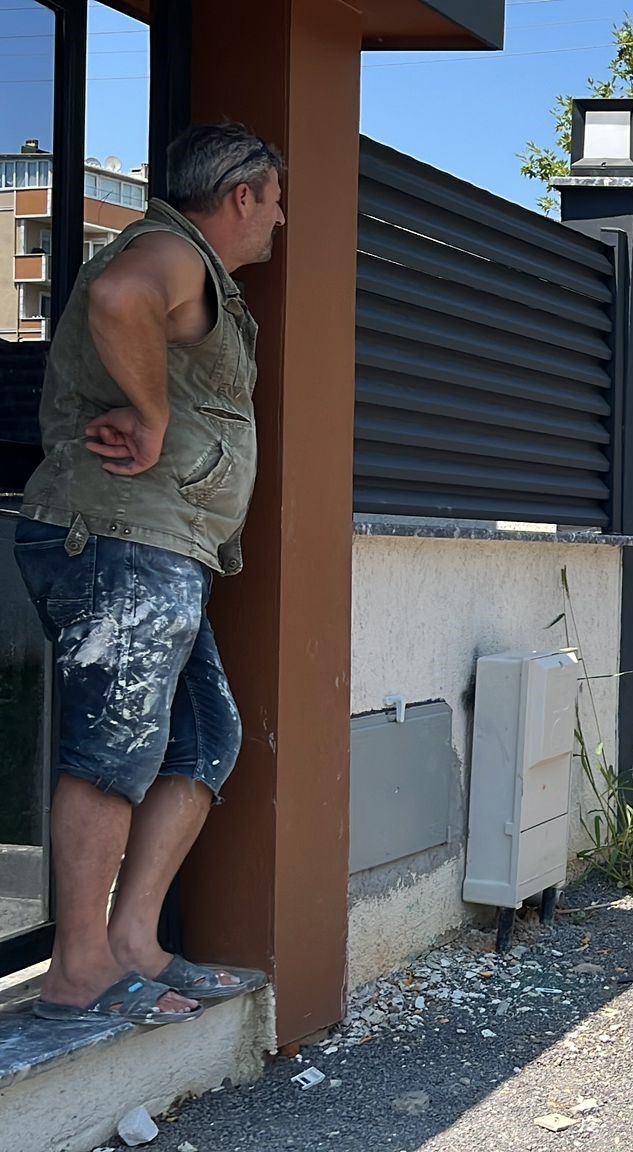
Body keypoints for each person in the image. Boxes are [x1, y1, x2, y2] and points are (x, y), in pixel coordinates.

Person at [13, 123, 283, 1024]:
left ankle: (133, 940)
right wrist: (153, 415)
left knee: (204, 738)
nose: (280, 222)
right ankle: (77, 968)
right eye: (275, 201)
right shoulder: (170, 251)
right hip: (119, 536)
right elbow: (124, 297)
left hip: (159, 543)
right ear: (241, 195)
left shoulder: (193, 263)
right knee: (115, 747)